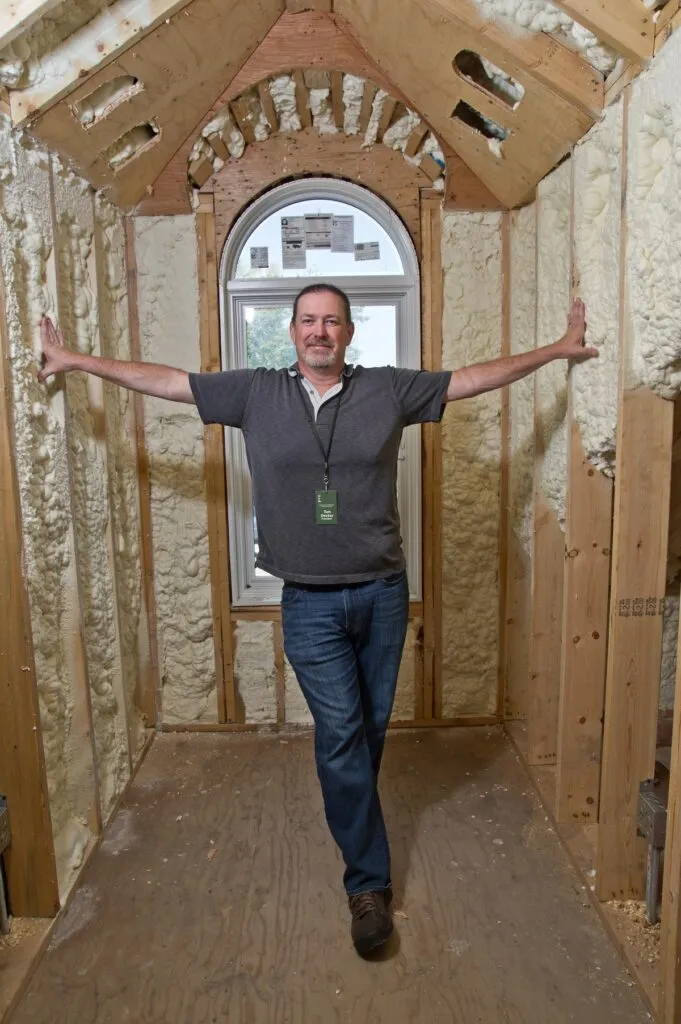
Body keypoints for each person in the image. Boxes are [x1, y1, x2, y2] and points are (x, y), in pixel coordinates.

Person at [38, 283, 597, 956]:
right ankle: (367, 886)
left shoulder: (388, 390)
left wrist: (557, 351)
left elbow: (473, 379)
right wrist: (75, 360)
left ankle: (356, 829)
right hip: (308, 601)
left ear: (349, 332)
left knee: (364, 732)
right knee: (338, 737)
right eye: (308, 320)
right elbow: (165, 381)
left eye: (331, 321)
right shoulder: (255, 393)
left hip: (383, 594)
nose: (319, 331)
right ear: (292, 330)